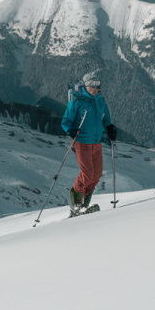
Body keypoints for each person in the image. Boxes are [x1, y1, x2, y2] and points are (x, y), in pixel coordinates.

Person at [61, 70, 118, 215]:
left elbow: (106, 117)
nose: (97, 88)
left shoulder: (100, 101)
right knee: (87, 174)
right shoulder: (77, 101)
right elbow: (66, 121)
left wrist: (110, 127)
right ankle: (76, 204)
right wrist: (71, 131)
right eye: (93, 85)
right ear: (86, 86)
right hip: (82, 142)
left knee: (96, 174)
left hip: (96, 142)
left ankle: (84, 204)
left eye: (98, 85)